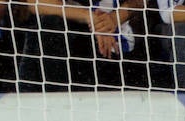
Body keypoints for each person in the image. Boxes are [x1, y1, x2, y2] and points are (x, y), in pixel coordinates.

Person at [16, 0, 150, 91]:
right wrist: (89, 17)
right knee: (47, 26)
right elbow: (34, 3)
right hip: (69, 45)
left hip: (115, 48)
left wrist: (114, 19)